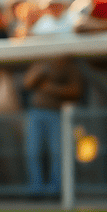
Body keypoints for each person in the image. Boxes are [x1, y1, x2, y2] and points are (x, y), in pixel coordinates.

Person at [22, 56, 84, 199]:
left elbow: (76, 90)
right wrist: (40, 72)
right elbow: (27, 83)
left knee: (57, 152)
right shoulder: (40, 60)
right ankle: (35, 189)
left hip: (57, 113)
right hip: (35, 112)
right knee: (33, 151)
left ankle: (55, 190)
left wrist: (49, 88)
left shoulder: (68, 64)